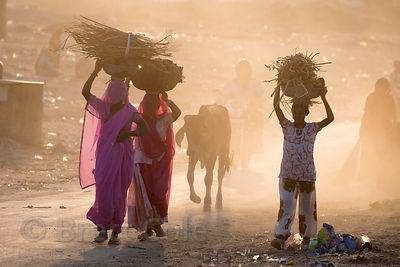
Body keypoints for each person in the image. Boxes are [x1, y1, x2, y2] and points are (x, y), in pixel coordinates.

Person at [79, 60, 149, 245]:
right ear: (109, 92)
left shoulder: (129, 111)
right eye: (114, 91)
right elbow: (85, 93)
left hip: (122, 154)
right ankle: (104, 229)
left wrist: (128, 133)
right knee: (104, 188)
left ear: (123, 93)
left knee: (118, 190)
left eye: (120, 91)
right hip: (105, 154)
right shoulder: (104, 108)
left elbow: (145, 128)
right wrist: (94, 72)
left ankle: (114, 231)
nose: (116, 94)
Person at [270, 82, 334, 250]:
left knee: (307, 208)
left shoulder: (312, 128)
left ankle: (307, 238)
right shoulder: (287, 127)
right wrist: (278, 87)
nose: (297, 115)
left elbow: (330, 118)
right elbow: (276, 107)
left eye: (300, 112)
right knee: (286, 206)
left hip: (306, 175)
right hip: (287, 174)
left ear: (306, 113)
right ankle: (281, 236)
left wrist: (323, 97)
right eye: (294, 112)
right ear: (291, 113)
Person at [127, 91, 181, 241]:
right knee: (151, 195)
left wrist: (167, 101)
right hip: (149, 162)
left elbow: (177, 113)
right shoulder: (149, 119)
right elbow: (178, 112)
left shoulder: (152, 119)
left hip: (150, 162)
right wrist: (167, 102)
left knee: (151, 195)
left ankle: (153, 226)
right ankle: (152, 226)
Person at [219, 58, 266, 170]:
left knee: (259, 118)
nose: (243, 72)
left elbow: (263, 95)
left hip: (249, 112)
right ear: (237, 71)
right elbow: (223, 95)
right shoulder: (232, 84)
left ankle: (257, 138)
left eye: (245, 70)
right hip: (234, 112)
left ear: (249, 71)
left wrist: (256, 101)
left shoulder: (255, 84)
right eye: (241, 70)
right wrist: (219, 99)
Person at [358, 78, 397, 187]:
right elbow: (367, 114)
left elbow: (393, 117)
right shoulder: (371, 98)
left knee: (381, 154)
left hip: (384, 131)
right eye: (380, 87)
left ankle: (381, 177)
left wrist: (392, 131)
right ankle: (367, 176)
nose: (382, 89)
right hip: (371, 129)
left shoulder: (389, 99)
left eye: (384, 87)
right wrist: (362, 128)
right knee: (368, 152)